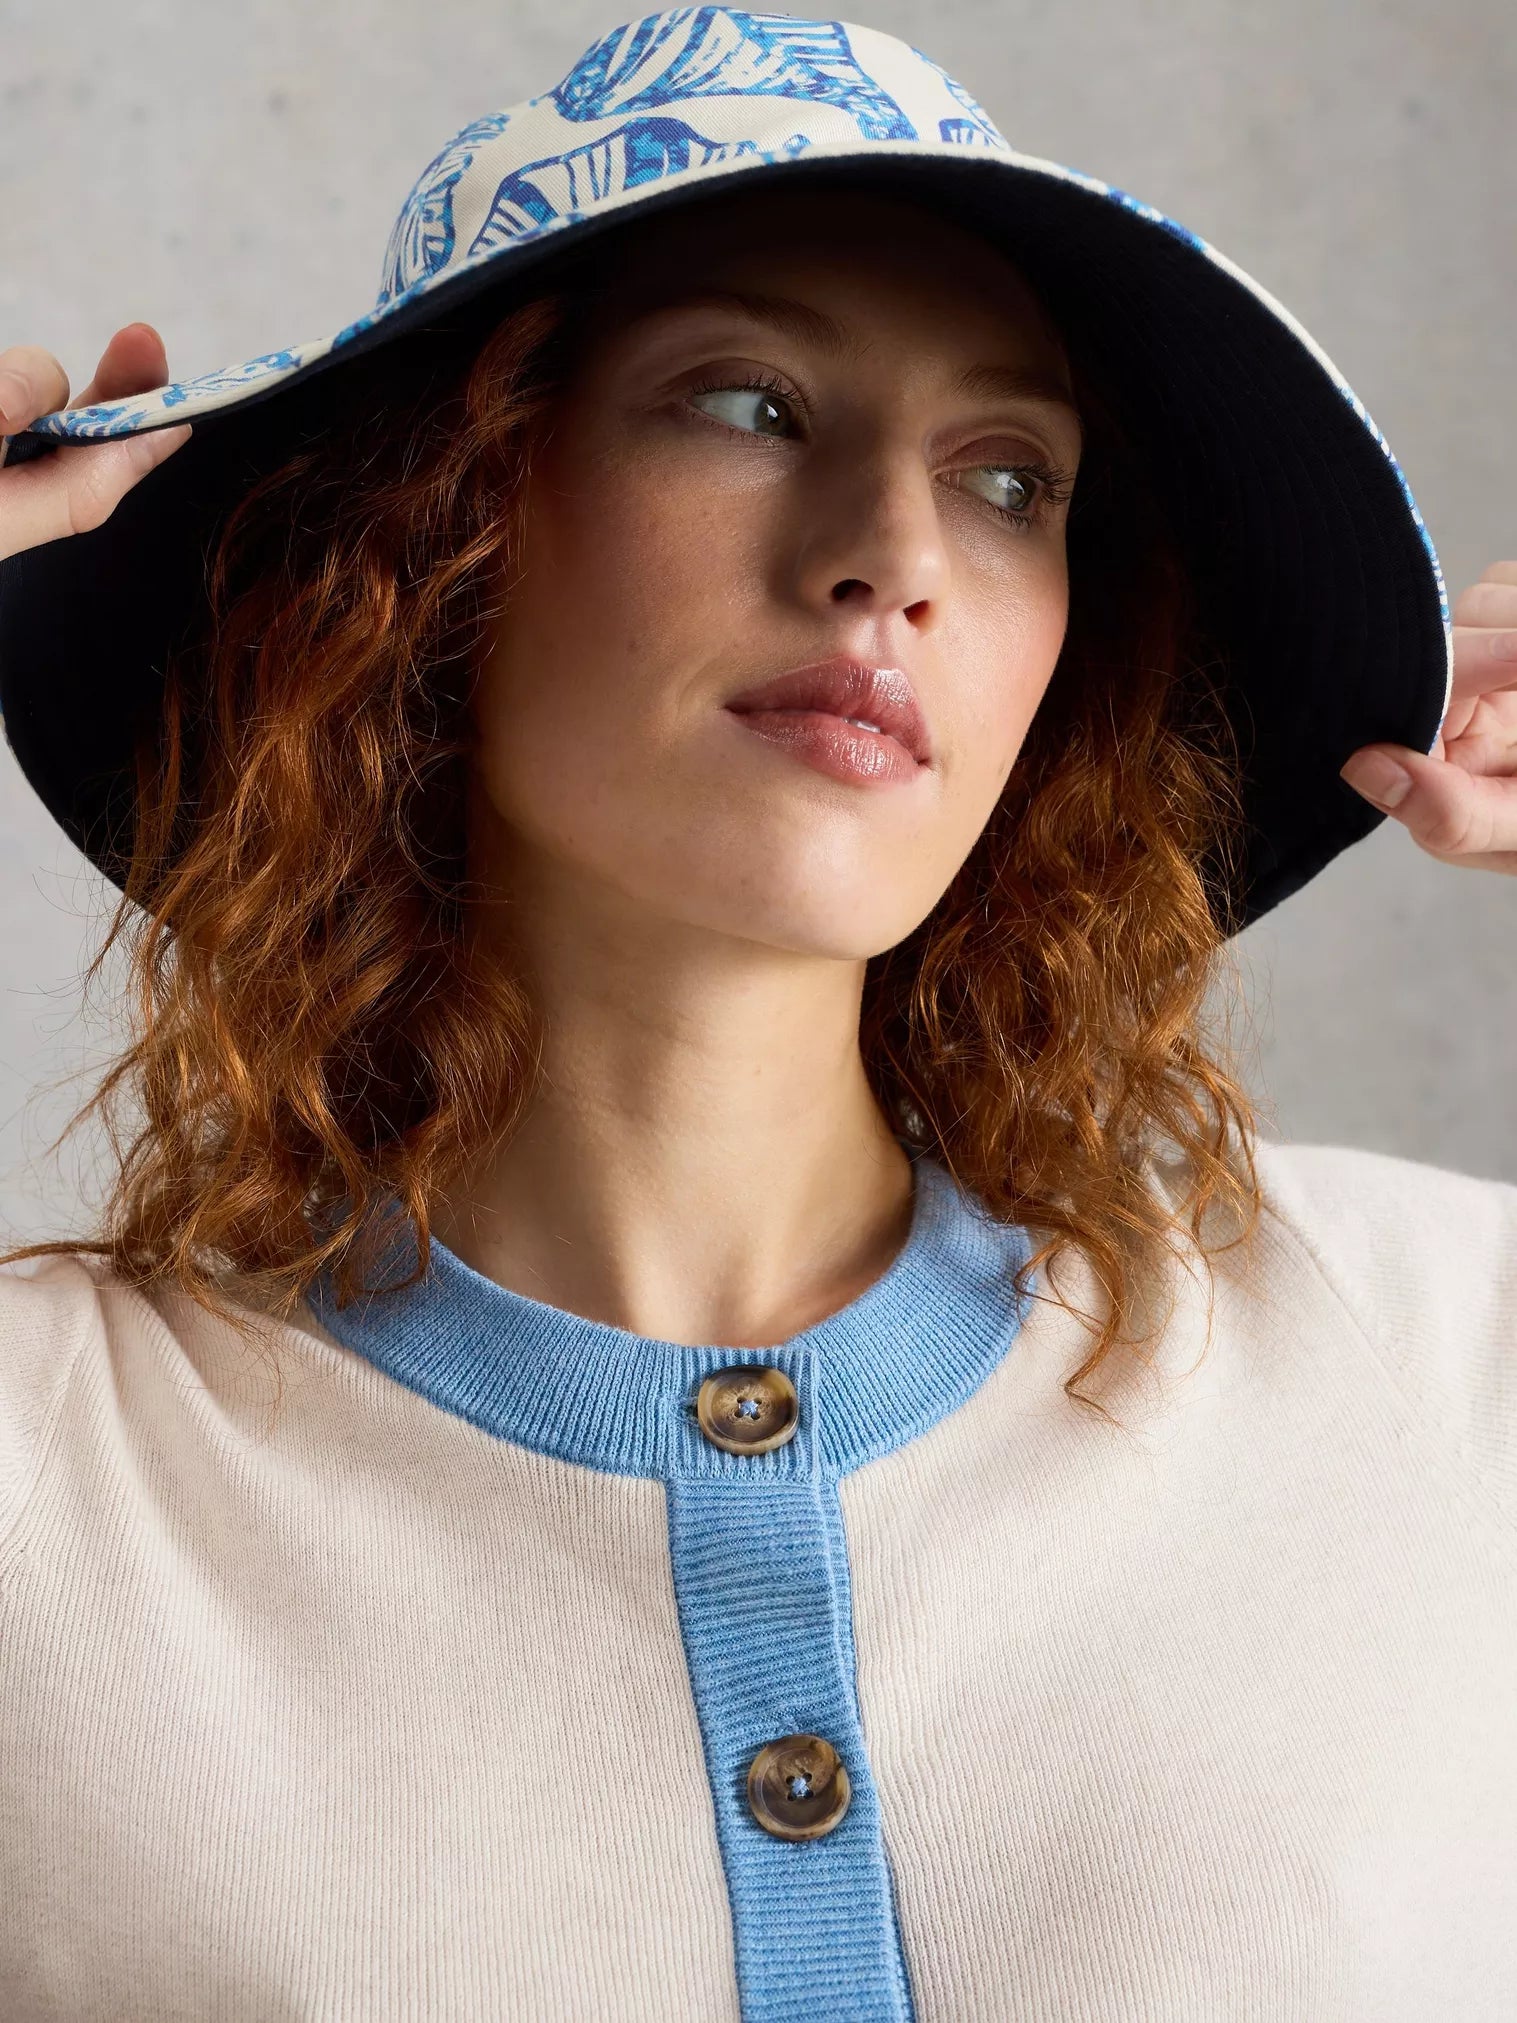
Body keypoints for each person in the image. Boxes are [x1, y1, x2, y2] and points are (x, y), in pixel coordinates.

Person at [0, 14, 1513, 2021]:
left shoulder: (1440, 1354)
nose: (897, 557)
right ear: (443, 532)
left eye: (1009, 476)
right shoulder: (52, 1480)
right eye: (745, 399)